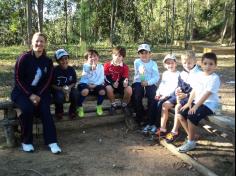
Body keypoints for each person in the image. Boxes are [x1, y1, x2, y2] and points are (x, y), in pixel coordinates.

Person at [11, 32, 61, 154]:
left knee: (45, 110)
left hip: (41, 92)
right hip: (21, 91)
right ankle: (26, 141)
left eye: (41, 41)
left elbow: (48, 80)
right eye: (36, 41)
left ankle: (52, 141)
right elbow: (17, 79)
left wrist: (38, 94)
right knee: (28, 109)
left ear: (45, 44)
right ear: (32, 42)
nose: (39, 43)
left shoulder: (48, 61)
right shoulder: (24, 58)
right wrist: (30, 95)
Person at [177, 52, 221, 152]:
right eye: (205, 63)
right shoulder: (200, 75)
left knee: (191, 116)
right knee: (180, 114)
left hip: (209, 104)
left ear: (215, 66)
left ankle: (191, 142)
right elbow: (194, 90)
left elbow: (207, 94)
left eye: (211, 64)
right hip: (198, 102)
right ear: (201, 64)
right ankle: (191, 136)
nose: (207, 66)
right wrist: (189, 103)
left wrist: (195, 106)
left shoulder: (214, 78)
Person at [162, 50, 201, 142]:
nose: (187, 65)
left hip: (194, 99)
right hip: (183, 97)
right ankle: (164, 128)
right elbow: (179, 85)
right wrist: (178, 89)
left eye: (189, 63)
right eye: (184, 63)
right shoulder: (183, 73)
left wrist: (186, 95)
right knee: (166, 104)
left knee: (178, 107)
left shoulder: (198, 74)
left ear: (195, 62)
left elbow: (199, 91)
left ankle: (175, 131)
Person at [143, 54, 180, 134]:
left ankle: (157, 125)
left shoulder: (178, 74)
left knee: (160, 104)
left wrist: (165, 96)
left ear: (176, 64)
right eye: (168, 63)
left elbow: (174, 88)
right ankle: (150, 123)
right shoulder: (165, 73)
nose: (170, 65)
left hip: (171, 96)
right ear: (165, 65)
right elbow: (162, 85)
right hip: (162, 94)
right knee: (153, 102)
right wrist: (158, 93)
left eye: (172, 63)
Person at [132, 44, 160, 126]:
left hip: (150, 82)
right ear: (139, 54)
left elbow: (156, 76)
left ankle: (150, 117)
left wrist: (148, 82)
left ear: (150, 53)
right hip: (138, 81)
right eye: (141, 53)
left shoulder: (153, 63)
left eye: (146, 53)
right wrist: (142, 79)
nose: (144, 55)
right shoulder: (137, 62)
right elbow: (140, 73)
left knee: (153, 95)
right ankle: (139, 117)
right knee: (137, 95)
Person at [77, 49, 106, 118]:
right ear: (87, 59)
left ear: (98, 57)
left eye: (94, 56)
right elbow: (88, 69)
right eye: (90, 57)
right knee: (85, 91)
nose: (93, 58)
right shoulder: (85, 65)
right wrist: (92, 67)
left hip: (96, 85)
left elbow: (101, 78)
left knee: (102, 92)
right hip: (85, 84)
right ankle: (79, 106)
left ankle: (99, 106)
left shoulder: (101, 67)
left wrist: (95, 85)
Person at [104, 46, 132, 115]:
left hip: (120, 85)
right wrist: (113, 83)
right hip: (110, 83)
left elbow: (125, 77)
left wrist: (125, 82)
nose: (117, 57)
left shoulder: (125, 67)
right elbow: (106, 77)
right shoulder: (107, 65)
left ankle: (124, 105)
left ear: (123, 57)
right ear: (112, 55)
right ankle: (113, 105)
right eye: (115, 55)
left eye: (119, 56)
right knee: (108, 88)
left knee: (129, 89)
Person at [51, 49, 78, 120]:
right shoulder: (54, 70)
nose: (64, 61)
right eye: (61, 59)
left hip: (69, 88)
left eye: (66, 59)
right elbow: (51, 84)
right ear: (57, 61)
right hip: (58, 89)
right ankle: (59, 111)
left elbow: (74, 81)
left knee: (76, 94)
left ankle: (72, 111)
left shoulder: (71, 69)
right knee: (59, 96)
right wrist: (61, 89)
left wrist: (69, 87)